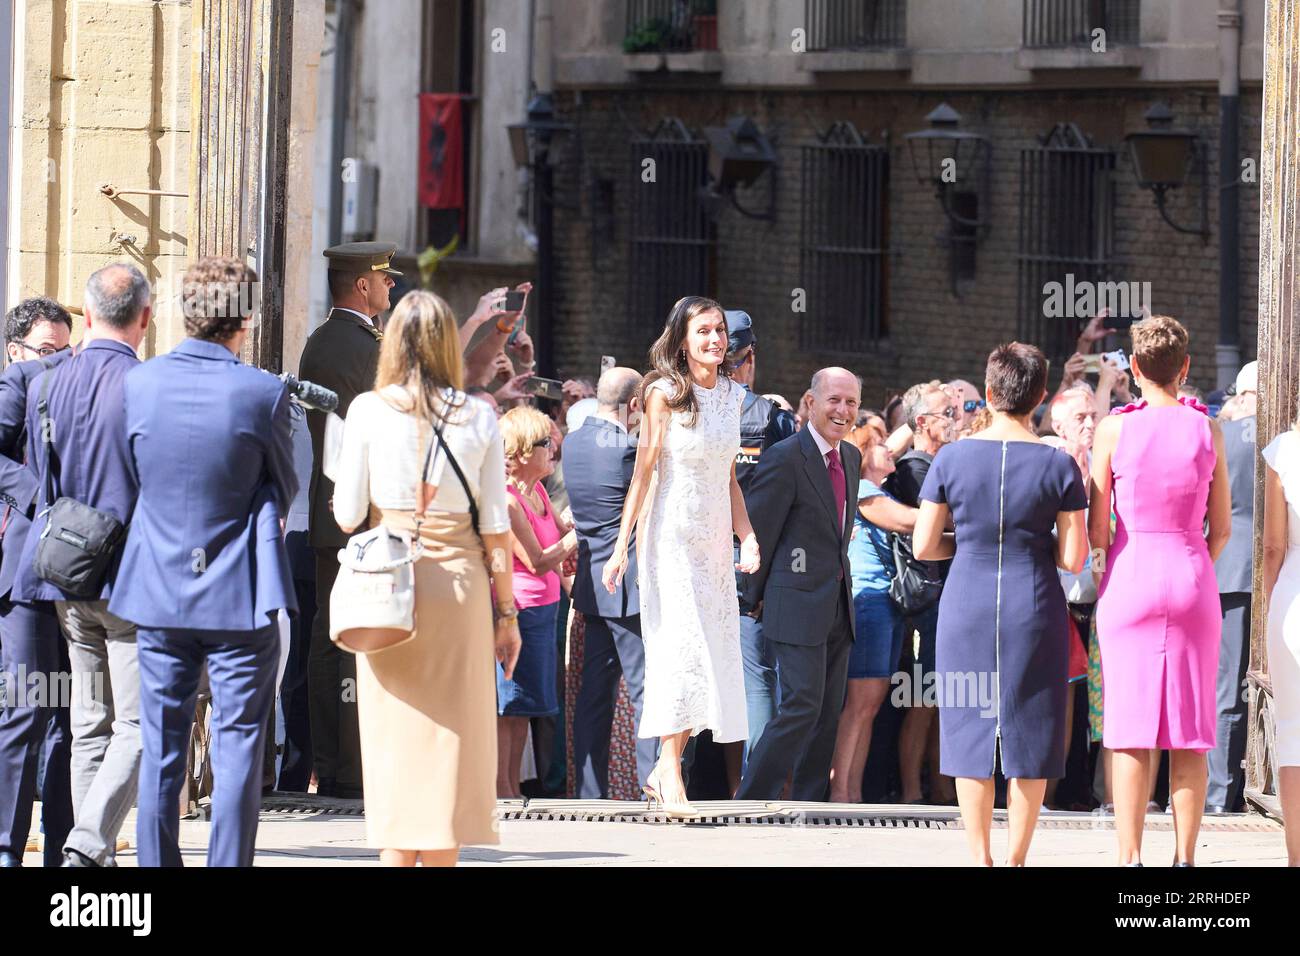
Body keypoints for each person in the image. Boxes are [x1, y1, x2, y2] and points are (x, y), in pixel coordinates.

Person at [107, 257, 297, 867]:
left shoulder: (138, 383)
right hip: (239, 590)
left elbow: (128, 477)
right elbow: (286, 486)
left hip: (159, 588)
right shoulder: (264, 392)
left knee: (162, 746)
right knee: (239, 746)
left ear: (183, 314)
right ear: (245, 318)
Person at [332, 289, 516, 866]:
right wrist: (506, 614)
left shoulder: (365, 410)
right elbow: (495, 527)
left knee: (395, 742)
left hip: (390, 586)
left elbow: (344, 514)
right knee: (450, 741)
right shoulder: (478, 416)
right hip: (457, 588)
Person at [913, 343, 1088, 866]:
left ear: (988, 392)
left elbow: (923, 546)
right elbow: (1075, 557)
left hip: (966, 600)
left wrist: (964, 543)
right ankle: (1016, 860)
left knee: (969, 727)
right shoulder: (1058, 465)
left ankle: (980, 857)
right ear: (1039, 397)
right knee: (1032, 730)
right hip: (1032, 602)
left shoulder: (951, 457)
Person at [13, 263, 150, 867]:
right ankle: (91, 846)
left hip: (66, 575)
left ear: (87, 317)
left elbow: (43, 475)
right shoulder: (149, 386)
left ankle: (91, 862)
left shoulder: (44, 384)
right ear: (144, 319)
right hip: (127, 582)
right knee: (140, 727)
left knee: (91, 725)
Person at [602, 296, 757, 817]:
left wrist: (747, 535)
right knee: (684, 649)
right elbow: (643, 474)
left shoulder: (735, 396)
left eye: (719, 331)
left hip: (713, 542)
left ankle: (663, 766)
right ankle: (669, 770)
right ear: (683, 341)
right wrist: (620, 548)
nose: (715, 340)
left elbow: (729, 476)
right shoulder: (664, 394)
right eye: (703, 332)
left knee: (709, 656)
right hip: (668, 535)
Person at [1090, 315, 1230, 867]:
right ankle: (1186, 859)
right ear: (1186, 367)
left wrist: (1113, 561)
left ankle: (1130, 859)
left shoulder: (1113, 429)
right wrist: (1192, 559)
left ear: (1137, 368)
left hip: (1130, 574)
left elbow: (1098, 528)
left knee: (1130, 727)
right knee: (1190, 730)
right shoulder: (1207, 428)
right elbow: (1221, 529)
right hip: (1192, 575)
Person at [298, 241, 399, 799]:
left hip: (336, 510)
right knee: (352, 639)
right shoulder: (361, 346)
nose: (391, 288)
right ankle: (351, 769)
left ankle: (337, 764)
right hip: (359, 514)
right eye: (385, 280)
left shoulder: (328, 339)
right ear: (362, 284)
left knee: (330, 637)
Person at [736, 367, 862, 802]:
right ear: (810, 403)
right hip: (793, 607)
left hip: (838, 610)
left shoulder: (851, 458)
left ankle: (811, 806)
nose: (842, 411)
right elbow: (760, 533)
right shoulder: (785, 456)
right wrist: (750, 600)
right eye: (834, 400)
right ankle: (752, 798)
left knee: (826, 715)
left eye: (851, 403)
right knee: (801, 707)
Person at [0, 297, 74, 867]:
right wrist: (33, 496)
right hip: (25, 575)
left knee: (71, 717)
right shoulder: (16, 384)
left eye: (64, 352)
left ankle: (61, 847)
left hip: (77, 577)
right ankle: (6, 846)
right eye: (47, 352)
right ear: (16, 351)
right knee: (25, 711)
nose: (56, 364)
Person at [567, 366, 658, 797]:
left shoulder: (572, 441)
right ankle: (651, 786)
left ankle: (588, 793)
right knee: (645, 692)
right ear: (635, 405)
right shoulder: (629, 450)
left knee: (594, 695)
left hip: (591, 583)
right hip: (629, 583)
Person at [725, 309, 796, 783]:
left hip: (696, 553)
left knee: (691, 669)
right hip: (753, 557)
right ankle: (755, 785)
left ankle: (673, 778)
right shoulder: (772, 419)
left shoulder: (679, 407)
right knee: (756, 679)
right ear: (749, 359)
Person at [829, 418, 916, 803]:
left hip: (886, 602)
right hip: (868, 600)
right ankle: (840, 793)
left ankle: (853, 792)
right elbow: (904, 521)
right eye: (880, 444)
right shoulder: (864, 490)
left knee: (872, 702)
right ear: (865, 453)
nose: (889, 450)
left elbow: (897, 439)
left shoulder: (875, 486)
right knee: (861, 702)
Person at [497, 405, 575, 798]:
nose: (553, 448)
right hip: (520, 613)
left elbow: (560, 544)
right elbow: (539, 559)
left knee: (527, 707)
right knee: (510, 706)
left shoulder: (540, 490)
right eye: (545, 442)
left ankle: (511, 788)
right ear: (524, 451)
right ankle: (504, 790)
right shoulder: (508, 502)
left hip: (545, 611)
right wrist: (580, 535)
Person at [886, 381, 958, 805]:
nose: (954, 419)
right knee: (923, 698)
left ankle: (940, 787)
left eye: (954, 411)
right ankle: (913, 792)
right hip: (925, 600)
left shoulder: (939, 463)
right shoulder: (915, 467)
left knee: (941, 699)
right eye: (944, 413)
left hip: (944, 593)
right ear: (921, 423)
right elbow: (942, 525)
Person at [1208, 361, 1257, 814]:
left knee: (1227, 688)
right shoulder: (1280, 441)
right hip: (1273, 574)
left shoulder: (1223, 439)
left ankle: (1221, 796)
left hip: (1227, 571)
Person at [1261, 391, 1300, 866]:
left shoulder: (1285, 450)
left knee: (1293, 732)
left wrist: (1272, 606)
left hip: (1294, 599)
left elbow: (1273, 546)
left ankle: (1295, 858)